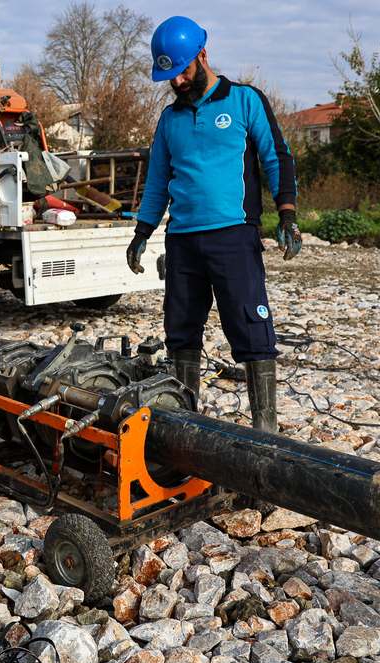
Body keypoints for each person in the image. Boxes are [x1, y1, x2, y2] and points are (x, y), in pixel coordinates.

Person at [127, 15, 302, 434]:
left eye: (183, 71)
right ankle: (186, 426)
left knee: (250, 326)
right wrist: (141, 233)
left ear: (202, 55)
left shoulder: (244, 100)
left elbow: (277, 157)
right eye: (170, 76)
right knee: (180, 331)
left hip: (233, 235)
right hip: (183, 242)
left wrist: (287, 214)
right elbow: (156, 182)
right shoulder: (169, 121)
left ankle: (266, 432)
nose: (178, 82)